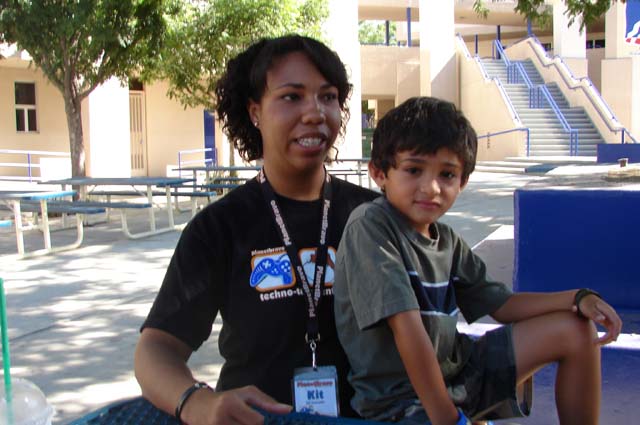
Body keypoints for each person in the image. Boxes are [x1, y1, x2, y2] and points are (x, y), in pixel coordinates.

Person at [134, 35, 378, 425]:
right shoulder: (219, 227)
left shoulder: (374, 217)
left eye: (328, 96)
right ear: (255, 112)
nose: (315, 112)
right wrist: (199, 403)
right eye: (291, 96)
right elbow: (156, 348)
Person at [333, 96, 623, 425]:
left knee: (575, 329)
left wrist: (578, 298)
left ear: (463, 182)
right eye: (414, 170)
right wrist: (448, 419)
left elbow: (503, 305)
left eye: (447, 174)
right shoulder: (371, 226)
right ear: (379, 173)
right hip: (400, 402)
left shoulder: (448, 241)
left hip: (457, 376)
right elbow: (407, 329)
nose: (431, 187)